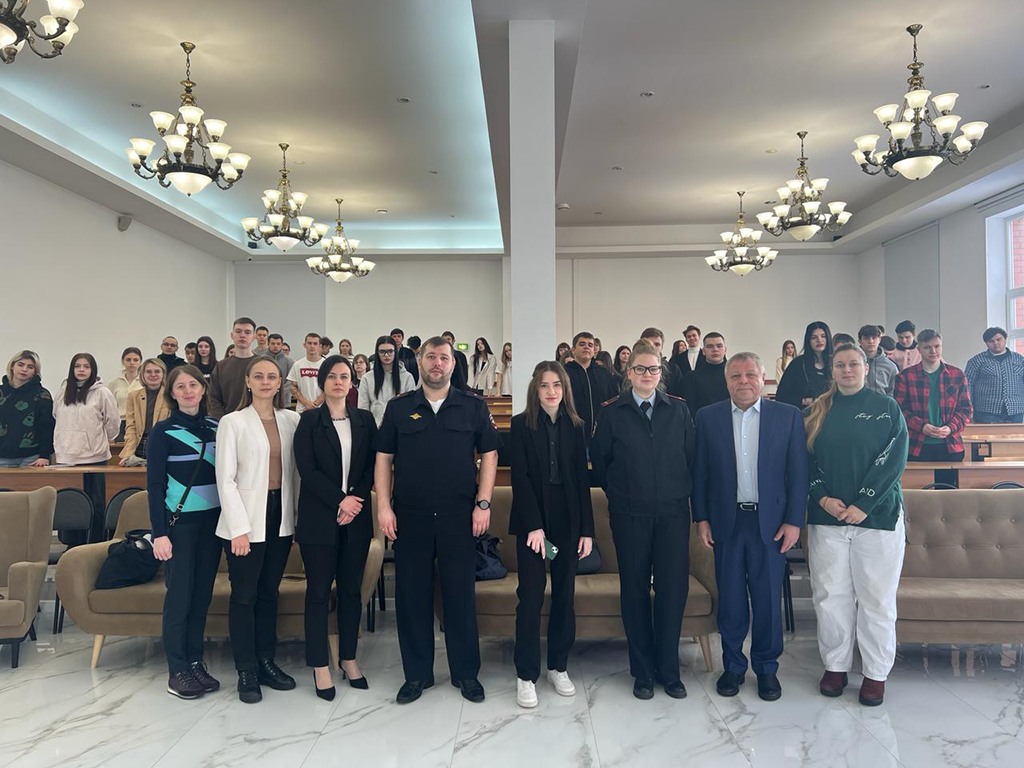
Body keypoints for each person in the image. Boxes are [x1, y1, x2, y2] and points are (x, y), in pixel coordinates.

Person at [374, 336, 501, 705]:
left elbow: (490, 454)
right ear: (419, 362)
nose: (437, 363)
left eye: (444, 358)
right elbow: (383, 458)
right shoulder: (399, 408)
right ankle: (417, 675)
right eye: (430, 357)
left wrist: (483, 503)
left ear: (452, 364)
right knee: (411, 598)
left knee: (459, 597)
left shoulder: (472, 406)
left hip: (458, 516)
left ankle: (466, 674)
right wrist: (384, 507)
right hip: (410, 516)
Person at [693, 352, 808, 702]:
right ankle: (733, 666)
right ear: (726, 381)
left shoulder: (787, 416)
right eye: (735, 376)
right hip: (726, 521)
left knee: (768, 598)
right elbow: (700, 473)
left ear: (762, 378)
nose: (743, 381)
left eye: (750, 375)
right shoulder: (708, 417)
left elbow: (798, 473)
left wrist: (794, 521)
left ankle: (767, 668)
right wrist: (701, 518)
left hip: (771, 524)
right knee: (730, 599)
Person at [804, 344, 909, 707]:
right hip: (828, 519)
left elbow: (893, 460)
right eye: (840, 365)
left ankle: (875, 673)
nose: (846, 370)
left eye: (853, 364)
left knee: (876, 599)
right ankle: (835, 665)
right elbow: (805, 461)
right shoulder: (817, 411)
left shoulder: (887, 408)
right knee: (829, 596)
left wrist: (864, 503)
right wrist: (822, 498)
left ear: (866, 367)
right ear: (832, 371)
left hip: (877, 519)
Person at [591, 341, 695, 700]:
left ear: (660, 372)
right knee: (634, 591)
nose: (647, 375)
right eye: (640, 369)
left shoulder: (678, 410)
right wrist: (623, 494)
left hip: (672, 515)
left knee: (672, 590)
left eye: (653, 369)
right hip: (629, 515)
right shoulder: (611, 412)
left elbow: (690, 457)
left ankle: (669, 670)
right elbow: (601, 463)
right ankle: (643, 672)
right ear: (629, 372)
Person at [216, 357, 301, 704]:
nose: (266, 382)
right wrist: (238, 529)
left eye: (272, 377)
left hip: (279, 514)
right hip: (245, 518)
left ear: (280, 383)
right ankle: (246, 669)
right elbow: (225, 479)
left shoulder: (291, 420)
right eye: (259, 376)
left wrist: (295, 520)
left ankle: (266, 661)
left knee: (269, 593)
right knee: (244, 595)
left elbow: (296, 473)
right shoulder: (232, 422)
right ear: (248, 382)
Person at [509, 361, 594, 708]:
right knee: (530, 596)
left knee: (564, 595)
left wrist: (587, 530)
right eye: (544, 385)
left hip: (567, 519)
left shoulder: (576, 425)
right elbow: (520, 478)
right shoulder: (520, 425)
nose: (551, 391)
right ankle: (526, 674)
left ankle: (558, 666)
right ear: (536, 389)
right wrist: (533, 525)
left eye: (557, 385)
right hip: (534, 520)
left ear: (565, 389)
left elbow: (583, 481)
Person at [294, 356, 377, 700]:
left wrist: (354, 501)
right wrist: (340, 501)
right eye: (332, 376)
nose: (339, 382)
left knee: (350, 592)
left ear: (352, 382)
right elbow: (307, 470)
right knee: (317, 593)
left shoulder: (365, 420)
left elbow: (372, 465)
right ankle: (319, 665)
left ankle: (348, 658)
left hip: (355, 519)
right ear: (323, 382)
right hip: (319, 519)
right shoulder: (309, 421)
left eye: (344, 376)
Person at [148, 364, 221, 700]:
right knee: (179, 597)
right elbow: (154, 485)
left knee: (201, 596)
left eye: (193, 384)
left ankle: (194, 661)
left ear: (203, 389)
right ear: (172, 393)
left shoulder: (217, 428)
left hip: (213, 525)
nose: (188, 391)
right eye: (181, 386)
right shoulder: (163, 432)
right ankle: (176, 669)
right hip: (179, 526)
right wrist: (159, 533)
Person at [894, 330, 972, 486]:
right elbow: (900, 410)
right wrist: (922, 426)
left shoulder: (957, 374)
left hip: (950, 446)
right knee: (918, 492)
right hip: (916, 446)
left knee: (948, 492)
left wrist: (950, 428)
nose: (933, 351)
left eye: (937, 346)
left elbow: (965, 409)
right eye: (927, 347)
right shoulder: (905, 376)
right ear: (919, 349)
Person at [53, 353, 120, 466]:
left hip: (95, 456)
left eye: (86, 366)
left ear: (93, 369)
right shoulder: (63, 392)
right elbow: (56, 415)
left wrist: (100, 439)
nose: (81, 369)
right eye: (77, 366)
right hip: (66, 455)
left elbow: (112, 422)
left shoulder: (102, 392)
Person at [0, 351, 54, 467]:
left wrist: (45, 455)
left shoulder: (42, 395)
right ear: (12, 366)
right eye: (20, 365)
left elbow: (47, 426)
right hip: (2, 456)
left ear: (35, 371)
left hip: (32, 457)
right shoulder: (1, 393)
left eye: (30, 367)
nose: (24, 369)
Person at [564, 332, 618, 446]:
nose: (586, 347)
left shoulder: (604, 374)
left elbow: (614, 401)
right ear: (573, 350)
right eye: (582, 344)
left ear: (594, 350)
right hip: (571, 435)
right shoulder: (564, 374)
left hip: (601, 436)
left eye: (590, 345)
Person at [965, 327, 1024, 423]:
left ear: (1005, 339)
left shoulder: (1019, 359)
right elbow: (967, 385)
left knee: (1015, 434)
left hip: (1016, 411)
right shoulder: (976, 361)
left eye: (999, 339)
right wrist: (969, 410)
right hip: (986, 412)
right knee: (988, 434)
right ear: (986, 343)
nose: (996, 343)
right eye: (991, 341)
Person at [119, 358, 170, 466]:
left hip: (164, 444)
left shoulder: (171, 395)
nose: (153, 375)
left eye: (157, 371)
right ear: (142, 374)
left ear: (163, 374)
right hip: (140, 444)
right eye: (148, 372)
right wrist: (129, 453)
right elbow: (131, 426)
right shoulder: (133, 396)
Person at [359, 335, 416, 427]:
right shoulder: (367, 378)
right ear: (377, 353)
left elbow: (411, 407)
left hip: (400, 429)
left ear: (395, 352)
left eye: (390, 351)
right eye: (382, 352)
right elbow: (363, 409)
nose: (386, 355)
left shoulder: (407, 377)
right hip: (375, 429)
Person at [775, 321, 834, 408]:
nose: (819, 340)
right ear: (808, 341)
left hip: (831, 413)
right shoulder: (798, 364)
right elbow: (781, 396)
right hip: (805, 413)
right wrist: (805, 401)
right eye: (814, 337)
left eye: (823, 336)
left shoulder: (836, 363)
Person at [210, 317, 257, 417]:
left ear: (254, 337)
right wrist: (221, 420)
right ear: (232, 335)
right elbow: (213, 398)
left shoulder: (262, 364)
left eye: (247, 332)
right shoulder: (221, 366)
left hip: (258, 419)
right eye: (238, 331)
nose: (242, 335)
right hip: (228, 419)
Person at [681, 332, 730, 417]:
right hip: (702, 422)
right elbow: (690, 409)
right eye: (710, 346)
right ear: (703, 351)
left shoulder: (735, 376)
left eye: (719, 346)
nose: (715, 349)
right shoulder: (692, 377)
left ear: (725, 350)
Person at [107, 347, 143, 440]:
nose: (132, 363)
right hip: (120, 424)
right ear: (123, 361)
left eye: (135, 360)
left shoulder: (145, 383)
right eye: (128, 360)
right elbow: (109, 407)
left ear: (140, 362)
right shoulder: (113, 383)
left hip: (140, 423)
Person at [640, 327, 685, 397]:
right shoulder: (632, 369)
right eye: (649, 344)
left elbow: (679, 397)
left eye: (657, 344)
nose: (653, 347)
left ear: (662, 347)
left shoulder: (673, 370)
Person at [287, 332, 325, 414]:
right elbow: (293, 387)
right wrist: (306, 403)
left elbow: (330, 387)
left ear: (320, 346)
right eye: (309, 343)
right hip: (302, 410)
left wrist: (315, 404)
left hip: (322, 409)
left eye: (315, 343)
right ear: (304, 345)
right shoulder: (297, 365)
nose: (312, 346)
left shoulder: (326, 364)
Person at [859, 325, 899, 396]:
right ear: (860, 341)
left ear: (879, 340)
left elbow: (894, 393)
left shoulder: (890, 366)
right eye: (866, 338)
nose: (871, 341)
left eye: (874, 338)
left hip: (883, 402)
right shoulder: (852, 363)